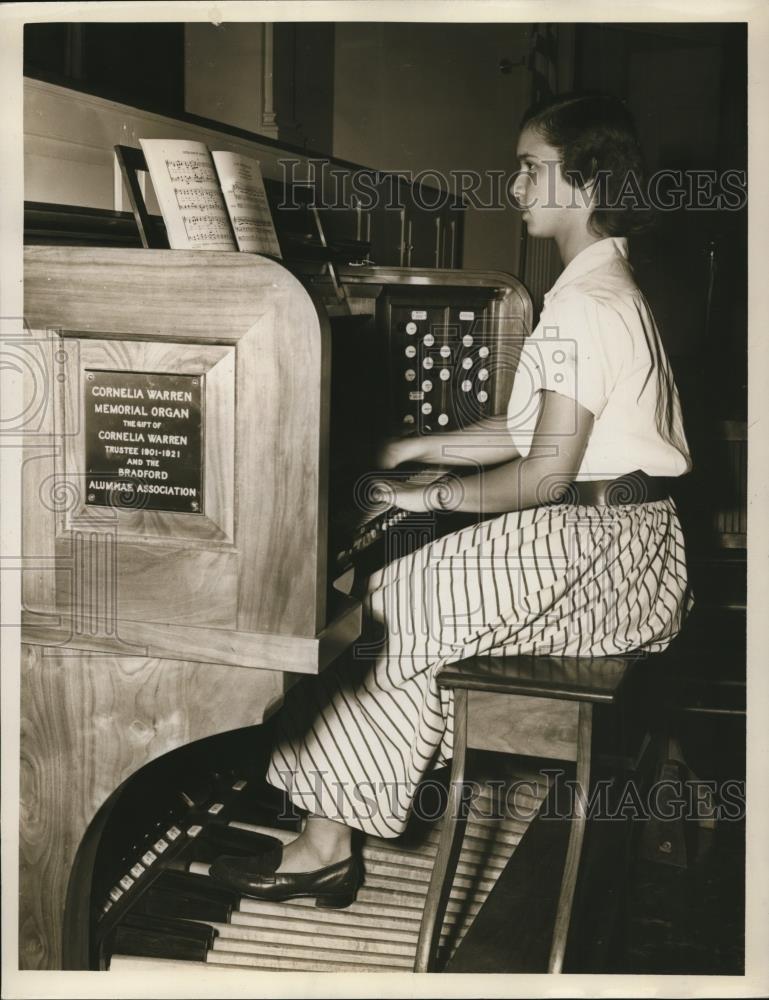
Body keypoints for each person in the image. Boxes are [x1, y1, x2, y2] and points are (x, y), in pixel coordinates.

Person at [210, 93, 693, 908]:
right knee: (406, 590)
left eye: (530, 169)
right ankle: (326, 803)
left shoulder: (585, 302)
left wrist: (416, 495)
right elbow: (526, 426)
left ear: (582, 183)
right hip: (623, 540)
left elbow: (541, 476)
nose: (513, 187)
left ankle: (327, 839)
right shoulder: (603, 285)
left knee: (395, 604)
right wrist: (415, 451)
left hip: (605, 548)